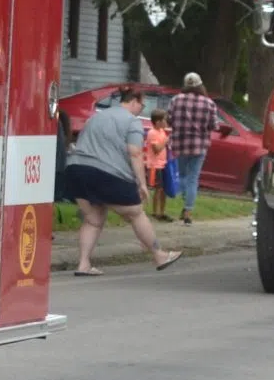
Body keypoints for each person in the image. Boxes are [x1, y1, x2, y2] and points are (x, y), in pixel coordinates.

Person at [62, 88, 183, 275]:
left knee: (93, 219)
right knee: (135, 213)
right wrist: (142, 183)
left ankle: (83, 264)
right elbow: (135, 153)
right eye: (142, 105)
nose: (141, 109)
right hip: (107, 172)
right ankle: (159, 255)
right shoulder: (132, 122)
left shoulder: (95, 117)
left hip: (77, 170)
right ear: (134, 101)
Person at [166, 72, 224, 223]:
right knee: (193, 178)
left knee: (182, 176)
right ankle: (188, 210)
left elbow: (169, 120)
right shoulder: (208, 103)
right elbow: (214, 125)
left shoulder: (175, 100)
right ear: (200, 85)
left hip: (180, 144)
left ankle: (185, 202)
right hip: (199, 145)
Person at [143, 102, 173, 222]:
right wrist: (166, 141)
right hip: (154, 165)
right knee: (158, 188)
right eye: (164, 120)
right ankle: (155, 212)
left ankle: (162, 212)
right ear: (157, 122)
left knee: (164, 189)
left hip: (163, 163)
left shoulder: (162, 131)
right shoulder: (152, 133)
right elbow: (156, 149)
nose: (166, 122)